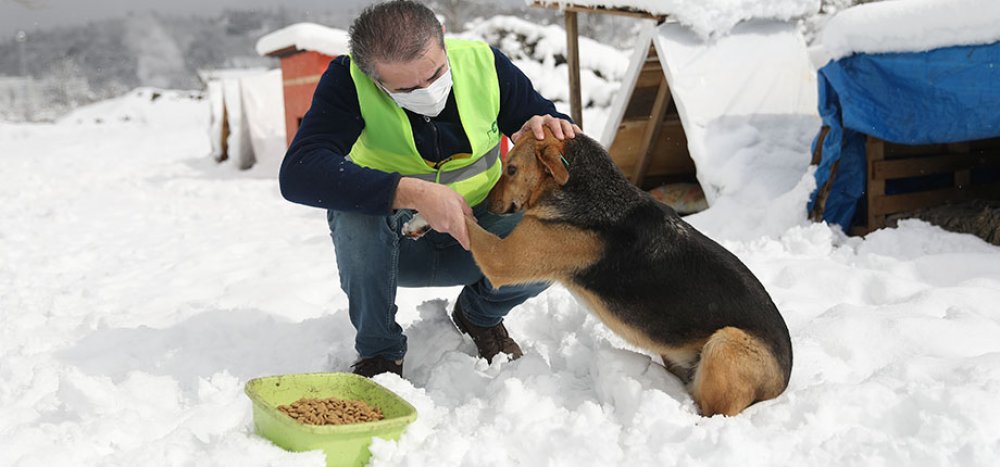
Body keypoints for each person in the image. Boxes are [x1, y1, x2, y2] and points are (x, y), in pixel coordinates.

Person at [279, 0, 579, 378]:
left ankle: (479, 316)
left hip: (480, 237)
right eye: (407, 88)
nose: (427, 90)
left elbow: (545, 127)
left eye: (436, 74)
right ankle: (380, 353)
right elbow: (299, 172)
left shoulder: (483, 64)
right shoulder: (347, 81)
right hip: (395, 250)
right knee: (352, 213)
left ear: (442, 43)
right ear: (374, 78)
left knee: (566, 226)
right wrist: (411, 193)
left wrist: (553, 129)